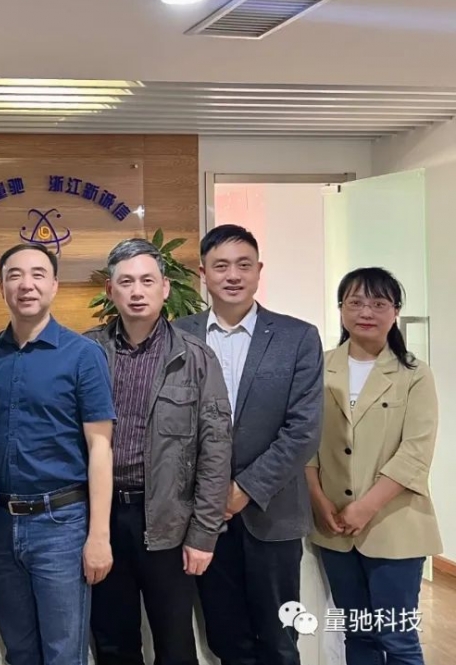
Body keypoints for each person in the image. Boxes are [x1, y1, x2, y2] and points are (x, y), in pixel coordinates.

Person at [173, 224, 323, 665]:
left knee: (279, 640)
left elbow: (303, 430)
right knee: (225, 638)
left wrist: (244, 490)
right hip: (204, 517)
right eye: (221, 266)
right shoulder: (179, 335)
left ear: (259, 270)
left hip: (272, 514)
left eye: (243, 265)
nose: (233, 275)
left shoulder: (298, 337)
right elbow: (169, 427)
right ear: (204, 274)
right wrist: (210, 494)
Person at [85, 238, 231, 665]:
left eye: (147, 281)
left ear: (165, 288)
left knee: (175, 644)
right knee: (112, 641)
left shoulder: (196, 357)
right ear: (110, 290)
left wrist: (203, 534)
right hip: (102, 517)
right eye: (126, 282)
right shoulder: (87, 353)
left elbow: (216, 449)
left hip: (170, 520)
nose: (137, 291)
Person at [0, 243, 115, 665]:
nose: (27, 284)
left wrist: (99, 535)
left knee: (64, 654)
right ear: (2, 286)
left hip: (61, 525)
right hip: (1, 524)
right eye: (15, 275)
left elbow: (100, 447)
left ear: (54, 285)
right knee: (19, 651)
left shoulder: (83, 355)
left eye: (38, 274)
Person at [307, 267, 442, 665]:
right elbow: (304, 441)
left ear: (395, 311)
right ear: (341, 309)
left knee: (397, 638)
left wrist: (365, 507)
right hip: (333, 525)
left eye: (378, 303)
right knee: (357, 635)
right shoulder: (318, 367)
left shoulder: (414, 374)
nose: (366, 312)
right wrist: (317, 499)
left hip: (394, 524)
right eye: (356, 302)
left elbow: (416, 452)